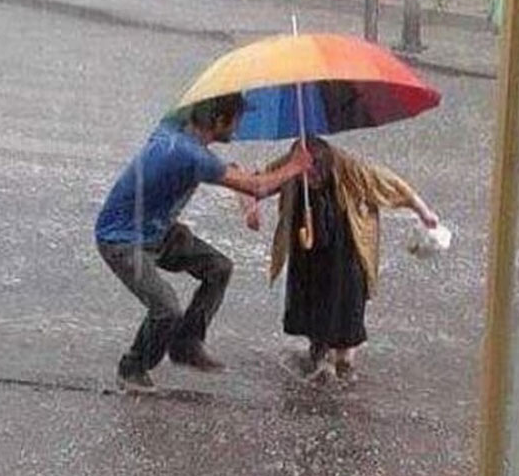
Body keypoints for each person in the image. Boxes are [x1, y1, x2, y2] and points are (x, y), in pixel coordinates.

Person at [95, 92, 312, 393]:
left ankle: (186, 343)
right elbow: (257, 186)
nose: (237, 128)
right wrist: (295, 166)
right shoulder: (191, 155)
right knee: (166, 309)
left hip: (159, 231)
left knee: (219, 268)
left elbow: (238, 176)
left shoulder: (175, 126)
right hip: (121, 241)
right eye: (235, 120)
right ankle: (132, 367)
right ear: (218, 121)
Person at [245, 136, 439, 383]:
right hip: (307, 243)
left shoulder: (352, 168)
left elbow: (395, 187)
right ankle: (318, 350)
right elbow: (253, 184)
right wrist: (250, 208)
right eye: (304, 175)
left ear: (326, 166)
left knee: (348, 301)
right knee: (311, 299)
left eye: (314, 175)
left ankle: (345, 362)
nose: (309, 180)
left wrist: (424, 213)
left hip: (346, 242)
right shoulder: (291, 164)